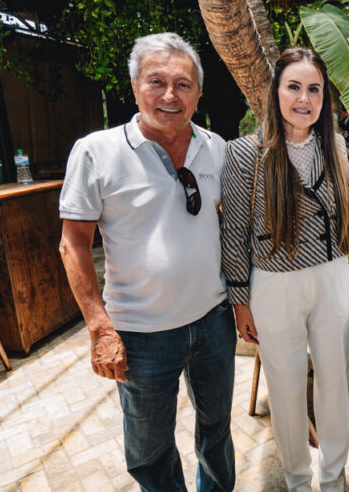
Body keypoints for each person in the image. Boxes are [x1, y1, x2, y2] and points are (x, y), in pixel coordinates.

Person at [59, 32, 235, 491]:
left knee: (216, 432)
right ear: (135, 86)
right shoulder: (97, 151)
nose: (170, 95)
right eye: (157, 81)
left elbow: (228, 231)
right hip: (140, 333)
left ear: (199, 92)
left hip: (213, 321)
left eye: (183, 84)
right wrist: (100, 327)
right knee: (150, 448)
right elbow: (72, 244)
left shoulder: (215, 148)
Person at [220, 48, 349, 492]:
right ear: (275, 93)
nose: (304, 98)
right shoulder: (244, 154)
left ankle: (332, 479)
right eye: (293, 87)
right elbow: (235, 232)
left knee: (336, 382)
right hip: (273, 283)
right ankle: (298, 480)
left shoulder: (335, 145)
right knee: (285, 387)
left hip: (333, 274)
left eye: (314, 89)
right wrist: (240, 300)